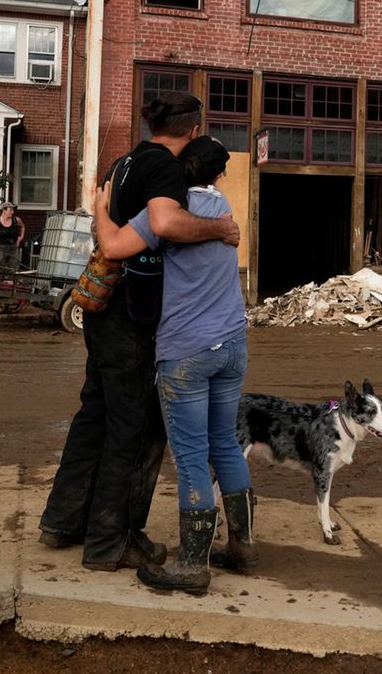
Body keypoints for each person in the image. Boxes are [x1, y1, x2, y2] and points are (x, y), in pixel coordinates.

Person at [38, 92, 240, 572]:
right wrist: (219, 229)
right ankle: (112, 542)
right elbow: (166, 222)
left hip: (103, 311)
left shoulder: (123, 162)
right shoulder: (166, 170)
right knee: (137, 428)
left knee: (95, 416)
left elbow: (105, 225)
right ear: (193, 131)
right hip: (134, 317)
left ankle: (63, 521)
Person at [93, 136, 254, 594]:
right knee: (223, 441)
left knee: (189, 457)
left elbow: (112, 247)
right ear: (218, 174)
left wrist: (101, 206)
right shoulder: (224, 209)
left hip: (186, 351)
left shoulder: (163, 215)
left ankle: (192, 565)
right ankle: (242, 546)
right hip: (232, 345)